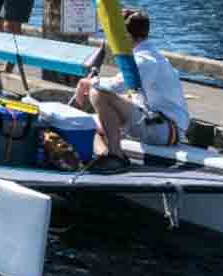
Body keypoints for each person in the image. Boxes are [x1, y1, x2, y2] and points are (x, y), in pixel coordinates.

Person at [71, 9, 191, 172]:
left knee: (97, 93)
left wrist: (87, 82)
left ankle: (116, 156)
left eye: (114, 36)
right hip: (154, 122)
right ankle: (106, 155)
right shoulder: (149, 55)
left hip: (165, 128)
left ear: (125, 37)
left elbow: (114, 86)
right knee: (84, 124)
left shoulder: (144, 60)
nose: (111, 40)